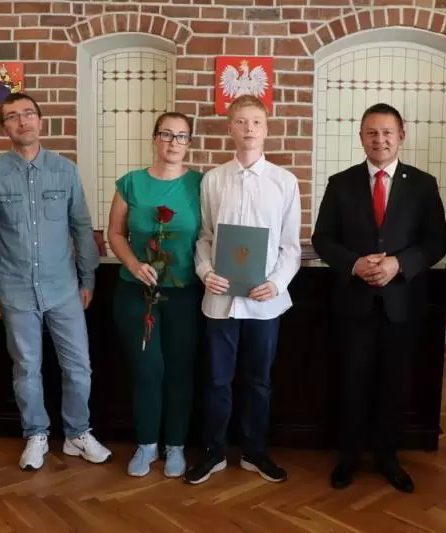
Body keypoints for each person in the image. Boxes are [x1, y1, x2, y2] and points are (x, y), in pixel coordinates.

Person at [311, 103, 446, 491]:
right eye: (372, 132)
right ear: (361, 138)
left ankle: (388, 456)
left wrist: (399, 264)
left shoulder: (423, 184)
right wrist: (353, 263)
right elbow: (323, 239)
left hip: (401, 305)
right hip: (353, 304)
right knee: (351, 383)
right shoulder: (341, 183)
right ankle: (349, 456)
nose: (380, 139)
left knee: (394, 384)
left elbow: (437, 241)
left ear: (401, 136)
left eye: (387, 132)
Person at [0, 92, 111, 471]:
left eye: (29, 114)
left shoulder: (65, 170)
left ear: (40, 120)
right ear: (4, 127)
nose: (23, 121)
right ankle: (36, 433)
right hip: (15, 289)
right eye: (12, 116)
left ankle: (77, 433)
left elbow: (81, 227)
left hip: (63, 289)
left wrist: (87, 277)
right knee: (26, 368)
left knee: (79, 368)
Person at [185, 95, 302, 485]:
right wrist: (205, 271)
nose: (249, 128)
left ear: (266, 129)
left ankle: (255, 452)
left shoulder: (285, 182)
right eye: (241, 122)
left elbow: (291, 247)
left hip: (265, 304)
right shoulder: (213, 180)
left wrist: (276, 283)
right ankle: (213, 452)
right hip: (219, 301)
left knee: (258, 382)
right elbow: (204, 237)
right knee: (216, 381)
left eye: (256, 122)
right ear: (230, 128)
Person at [107, 112, 203, 478]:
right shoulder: (131, 183)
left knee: (179, 369)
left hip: (184, 293)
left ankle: (175, 444)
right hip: (136, 292)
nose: (173, 142)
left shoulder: (201, 184)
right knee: (147, 368)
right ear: (154, 138)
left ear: (189, 142)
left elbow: (210, 235)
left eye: (181, 136)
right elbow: (115, 233)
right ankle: (146, 443)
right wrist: (133, 264)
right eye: (166, 134)